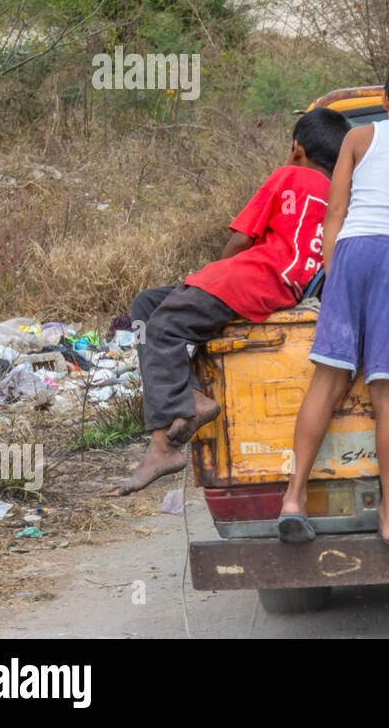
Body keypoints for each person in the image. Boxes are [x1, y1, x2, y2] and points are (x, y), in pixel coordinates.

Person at [108, 107, 351, 496]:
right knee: (148, 305)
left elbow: (240, 240)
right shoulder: (342, 196)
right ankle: (191, 398)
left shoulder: (289, 174)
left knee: (163, 327)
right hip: (283, 286)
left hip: (249, 279)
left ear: (296, 148)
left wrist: (211, 277)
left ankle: (163, 447)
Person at [277, 52, 389, 544]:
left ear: (383, 99)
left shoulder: (358, 137)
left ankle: (294, 496)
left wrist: (333, 271)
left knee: (327, 380)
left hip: (352, 251)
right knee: (388, 390)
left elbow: (336, 211)